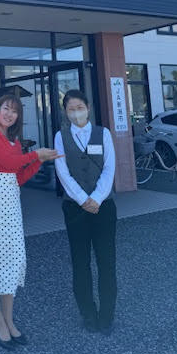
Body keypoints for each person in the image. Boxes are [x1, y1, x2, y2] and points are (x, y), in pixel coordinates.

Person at [0, 94, 62, 350]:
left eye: (14, 111)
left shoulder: (13, 141)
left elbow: (18, 176)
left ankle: (9, 319)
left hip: (10, 203)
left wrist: (39, 161)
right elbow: (9, 163)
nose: (9, 114)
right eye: (6, 108)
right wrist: (35, 153)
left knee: (12, 259)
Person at [54, 89, 117, 336]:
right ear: (65, 112)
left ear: (88, 108)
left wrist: (97, 198)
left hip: (104, 206)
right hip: (74, 208)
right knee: (80, 263)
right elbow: (62, 172)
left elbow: (109, 168)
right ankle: (88, 313)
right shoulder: (61, 136)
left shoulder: (104, 133)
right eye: (71, 109)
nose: (76, 113)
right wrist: (83, 200)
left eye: (79, 108)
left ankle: (106, 315)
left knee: (106, 261)